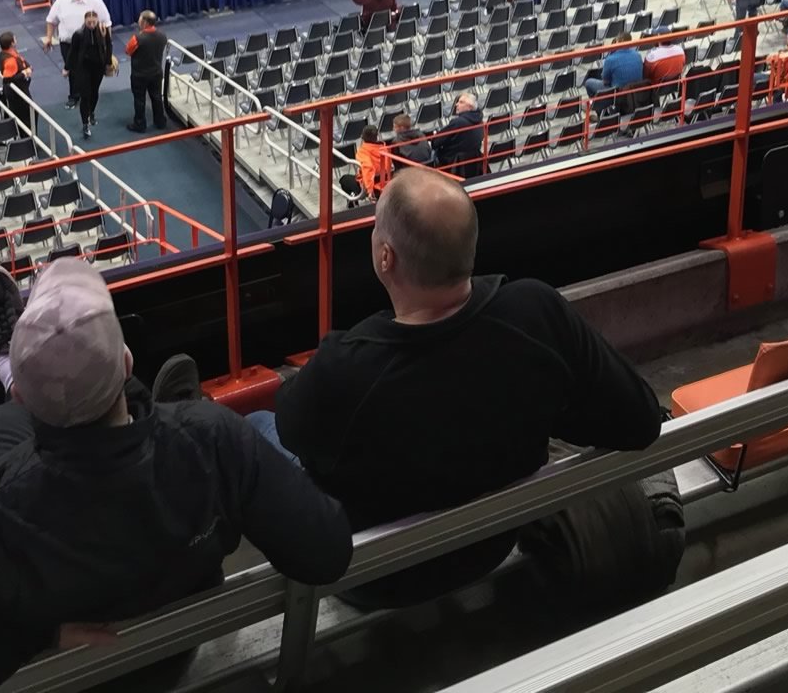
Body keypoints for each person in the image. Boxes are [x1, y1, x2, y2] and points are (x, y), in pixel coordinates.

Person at [0, 259, 352, 693]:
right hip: (172, 652)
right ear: (129, 360)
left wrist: (37, 638)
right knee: (145, 425)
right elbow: (326, 552)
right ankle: (143, 403)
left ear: (29, 401)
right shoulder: (212, 436)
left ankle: (11, 363)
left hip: (67, 677)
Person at [266, 169, 676, 609]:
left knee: (261, 427)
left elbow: (291, 428)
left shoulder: (344, 367)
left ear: (386, 257)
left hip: (376, 579)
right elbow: (640, 420)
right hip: (489, 545)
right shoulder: (536, 314)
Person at [43, 0, 112, 110]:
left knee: (88, 69)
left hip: (90, 44)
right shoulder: (62, 0)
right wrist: (48, 38)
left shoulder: (96, 1)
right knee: (73, 70)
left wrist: (106, 45)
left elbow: (107, 23)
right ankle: (74, 96)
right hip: (67, 43)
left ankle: (88, 94)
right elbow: (51, 20)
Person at [65, 9, 116, 139]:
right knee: (85, 95)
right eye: (89, 22)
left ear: (97, 21)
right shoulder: (79, 34)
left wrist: (109, 62)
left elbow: (109, 46)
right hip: (83, 68)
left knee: (94, 92)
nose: (92, 24)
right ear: (85, 21)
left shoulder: (103, 31)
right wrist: (67, 68)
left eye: (94, 22)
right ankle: (85, 123)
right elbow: (72, 52)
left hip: (98, 67)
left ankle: (91, 112)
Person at [124, 11, 168, 131]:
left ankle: (140, 124)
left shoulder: (137, 38)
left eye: (139, 19)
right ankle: (160, 122)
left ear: (144, 22)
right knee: (157, 97)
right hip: (156, 73)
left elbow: (128, 51)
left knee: (139, 100)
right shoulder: (162, 35)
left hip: (140, 75)